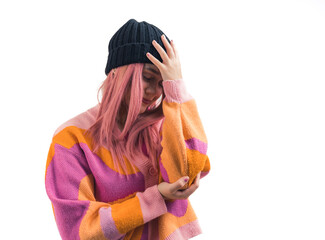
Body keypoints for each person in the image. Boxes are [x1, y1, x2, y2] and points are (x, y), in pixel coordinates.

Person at [44, 18, 211, 240]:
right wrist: (157, 197)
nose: (155, 92)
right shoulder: (71, 140)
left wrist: (176, 87)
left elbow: (187, 176)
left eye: (163, 83)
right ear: (116, 73)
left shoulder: (166, 127)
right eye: (148, 77)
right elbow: (79, 231)